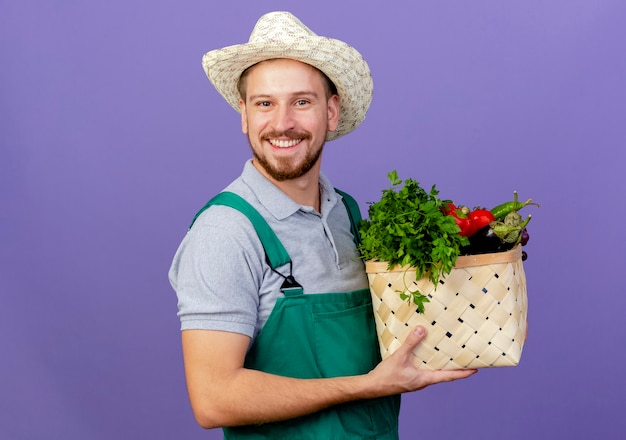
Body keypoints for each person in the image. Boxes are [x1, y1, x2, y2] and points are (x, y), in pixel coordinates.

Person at [169, 11, 476, 439]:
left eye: (301, 101)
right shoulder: (226, 232)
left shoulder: (346, 213)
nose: (282, 123)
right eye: (264, 103)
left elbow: (402, 329)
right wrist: (367, 387)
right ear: (243, 114)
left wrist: (474, 308)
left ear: (331, 111)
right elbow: (213, 397)